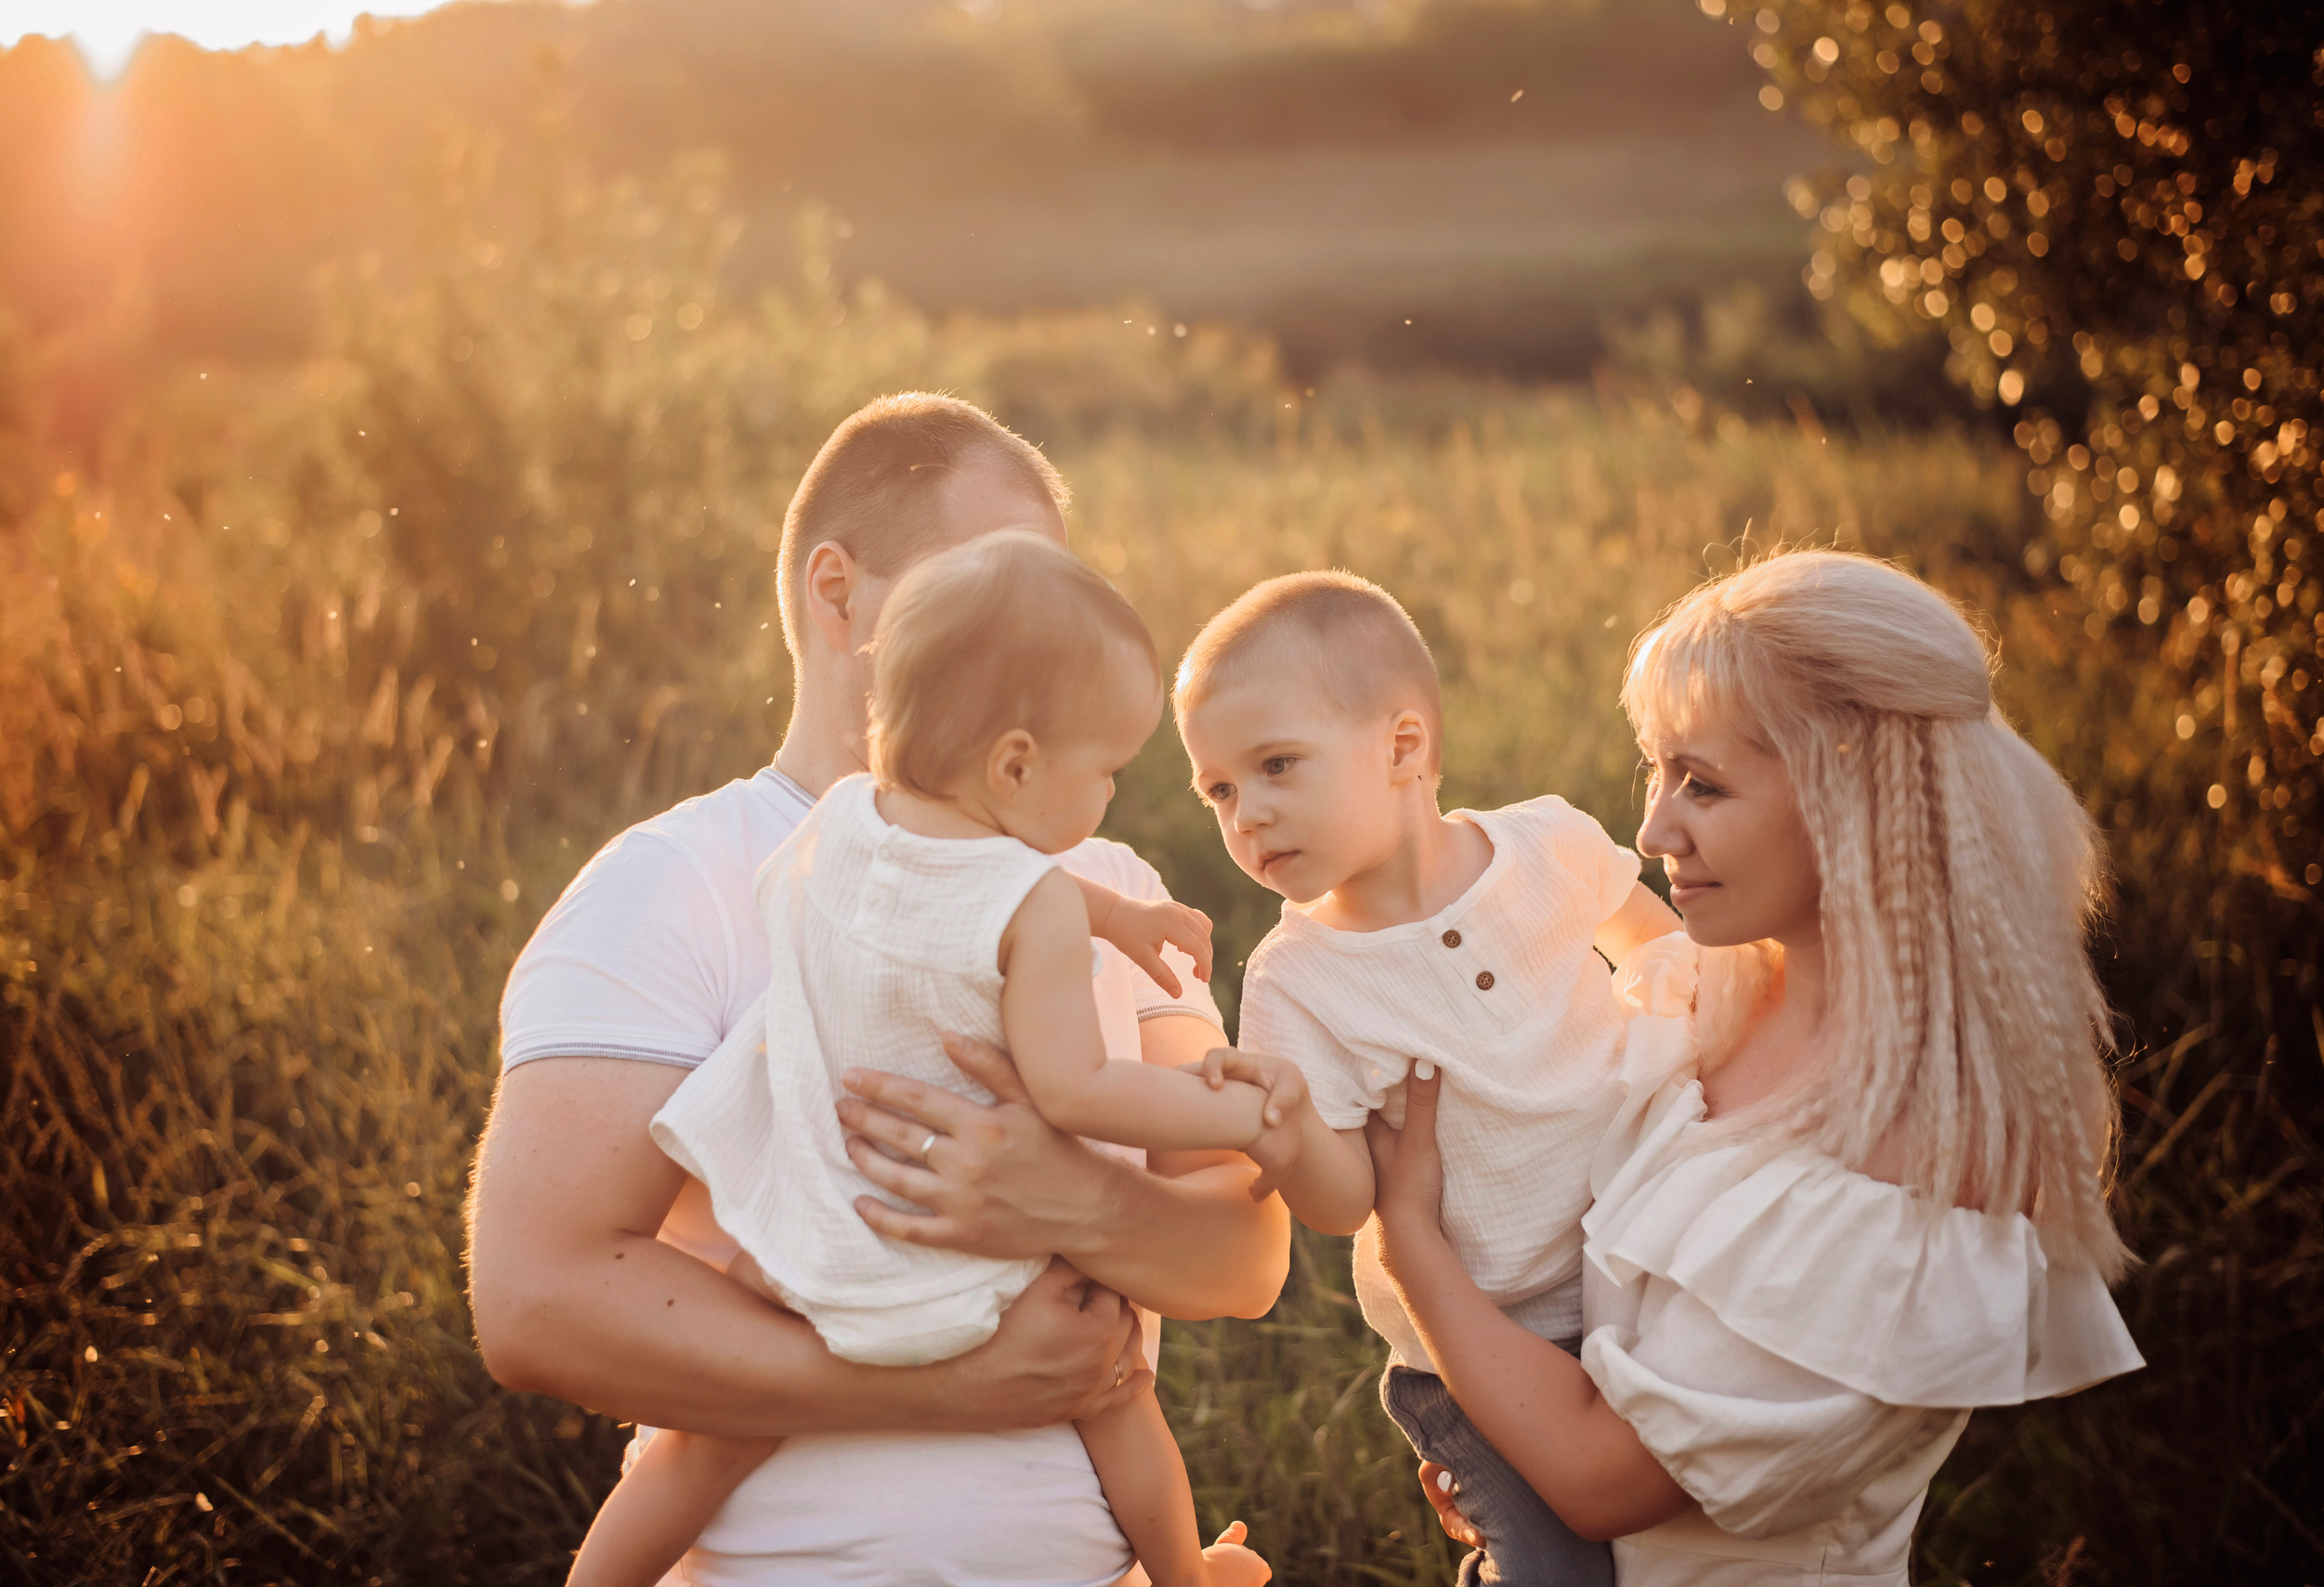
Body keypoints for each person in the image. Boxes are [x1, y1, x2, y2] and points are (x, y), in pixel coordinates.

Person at [466, 395, 1290, 1587]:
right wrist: (932, 1383)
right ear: (837, 592)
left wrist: (1063, 1199)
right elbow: (535, 1301)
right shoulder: (672, 883)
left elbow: (1244, 1259)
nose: (1029, 639)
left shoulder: (1102, 880)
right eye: (981, 579)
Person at [1365, 551, 2145, 1587]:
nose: (1652, 829)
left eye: (1704, 781)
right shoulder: (1712, 993)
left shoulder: (1906, 1159)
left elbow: (1600, 1477)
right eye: (1657, 769)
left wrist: (1410, 1235)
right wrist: (1499, 1454)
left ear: (1852, 798)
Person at [1173, 570, 1686, 1587]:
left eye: (1277, 765)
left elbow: (1652, 938)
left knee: (1679, 1545)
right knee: (1558, 1573)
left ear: (1401, 747)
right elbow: (1345, 1198)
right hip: (1469, 1345)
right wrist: (1284, 1133)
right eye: (1220, 789)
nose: (1247, 814)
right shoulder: (1300, 976)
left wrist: (1676, 1009)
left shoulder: (1542, 844)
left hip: (1637, 1282)